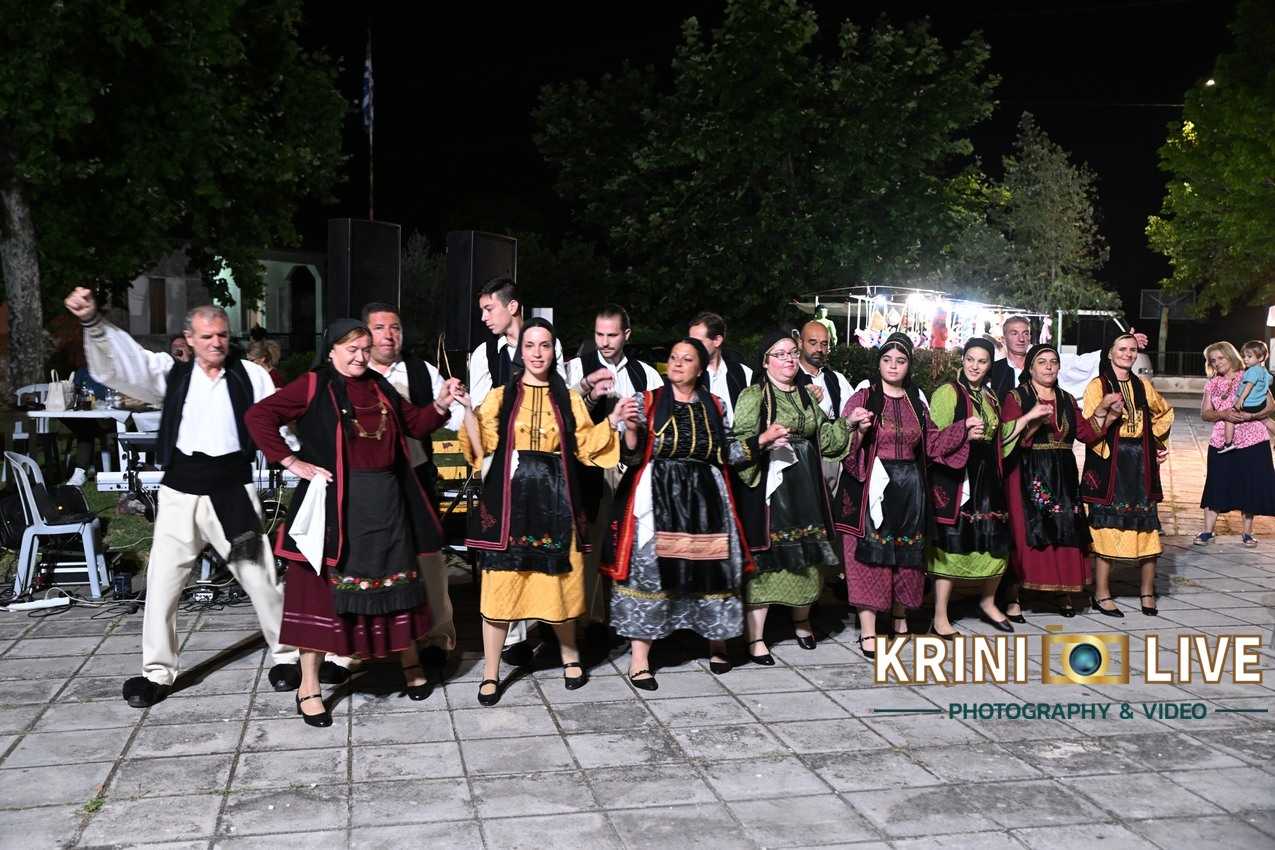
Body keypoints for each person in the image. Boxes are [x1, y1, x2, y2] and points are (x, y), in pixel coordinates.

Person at [64, 287, 299, 708]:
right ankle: (156, 673)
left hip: (232, 492)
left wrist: (300, 460)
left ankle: (287, 656)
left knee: (260, 577)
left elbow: (276, 421)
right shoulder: (169, 374)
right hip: (179, 493)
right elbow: (124, 363)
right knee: (162, 584)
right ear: (189, 338)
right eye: (207, 336)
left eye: (222, 335)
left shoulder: (251, 375)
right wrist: (93, 323)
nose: (216, 343)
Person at [244, 319, 461, 726]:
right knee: (318, 595)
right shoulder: (312, 385)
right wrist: (291, 462)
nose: (360, 357)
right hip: (335, 508)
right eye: (351, 350)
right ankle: (309, 686)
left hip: (387, 503)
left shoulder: (380, 386)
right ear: (331, 351)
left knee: (397, 586)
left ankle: (410, 663)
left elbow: (415, 425)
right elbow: (259, 416)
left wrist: (441, 403)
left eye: (365, 348)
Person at [459, 318, 637, 706]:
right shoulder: (501, 397)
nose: (537, 353)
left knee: (557, 583)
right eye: (530, 345)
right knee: (501, 585)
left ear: (554, 352)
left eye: (544, 346)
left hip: (555, 503)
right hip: (510, 505)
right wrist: (469, 411)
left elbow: (586, 446)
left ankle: (570, 656)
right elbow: (481, 446)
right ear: (520, 352)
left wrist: (613, 420)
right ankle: (491, 672)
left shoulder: (567, 399)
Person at [602, 338, 752, 686]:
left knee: (711, 570)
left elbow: (726, 452)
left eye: (686, 359)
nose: (677, 364)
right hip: (659, 496)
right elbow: (632, 457)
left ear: (700, 368)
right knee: (651, 570)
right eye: (673, 357)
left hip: (706, 502)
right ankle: (639, 659)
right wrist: (632, 430)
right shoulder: (647, 401)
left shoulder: (715, 405)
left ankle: (717, 642)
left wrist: (761, 441)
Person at [836, 333, 969, 658]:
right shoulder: (862, 398)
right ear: (878, 363)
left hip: (910, 488)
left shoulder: (916, 403)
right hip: (873, 487)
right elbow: (841, 442)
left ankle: (899, 617)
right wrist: (857, 430)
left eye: (900, 360)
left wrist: (963, 428)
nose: (893, 366)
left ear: (909, 365)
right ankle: (868, 630)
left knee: (906, 557)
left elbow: (933, 444)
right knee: (869, 557)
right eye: (887, 360)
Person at [731, 329, 851, 663]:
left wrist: (850, 424)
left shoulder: (806, 396)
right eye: (780, 354)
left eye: (792, 353)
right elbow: (738, 445)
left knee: (806, 556)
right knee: (768, 560)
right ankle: (756, 636)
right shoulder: (755, 396)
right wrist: (765, 439)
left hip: (806, 487)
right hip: (772, 489)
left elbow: (824, 437)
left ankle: (802, 621)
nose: (788, 359)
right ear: (765, 361)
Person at [467, 276, 566, 666]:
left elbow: (561, 396)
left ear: (512, 307)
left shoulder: (547, 343)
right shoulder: (484, 354)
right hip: (503, 461)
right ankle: (511, 636)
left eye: (488, 308)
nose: (484, 317)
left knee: (540, 541)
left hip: (543, 463)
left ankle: (544, 620)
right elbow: (479, 410)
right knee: (506, 546)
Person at [362, 302, 466, 676]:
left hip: (416, 477)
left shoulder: (422, 371)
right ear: (365, 333)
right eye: (379, 328)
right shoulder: (353, 369)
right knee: (368, 561)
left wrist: (473, 418)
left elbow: (454, 416)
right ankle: (358, 647)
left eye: (395, 328)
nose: (388, 335)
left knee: (430, 560)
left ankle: (438, 638)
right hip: (368, 485)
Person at [926, 339, 1050, 636]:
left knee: (995, 543)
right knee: (952, 544)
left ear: (990, 365)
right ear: (962, 359)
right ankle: (940, 616)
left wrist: (1029, 417)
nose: (974, 366)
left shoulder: (991, 396)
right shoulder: (947, 392)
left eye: (982, 361)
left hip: (988, 479)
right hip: (957, 478)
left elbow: (1001, 436)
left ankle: (988, 601)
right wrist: (963, 433)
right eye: (970, 359)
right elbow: (933, 440)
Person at [999, 345, 1118, 620]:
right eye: (1042, 362)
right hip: (1026, 471)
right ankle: (1013, 595)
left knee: (1065, 528)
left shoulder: (1066, 399)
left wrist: (1107, 412)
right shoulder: (1016, 397)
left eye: (1053, 361)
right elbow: (1008, 439)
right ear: (1030, 368)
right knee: (1023, 532)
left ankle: (1061, 589)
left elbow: (1086, 433)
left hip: (1062, 474)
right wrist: (1032, 421)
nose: (1049, 367)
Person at [565, 304, 664, 628]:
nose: (605, 342)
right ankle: (588, 622)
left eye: (612, 335)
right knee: (591, 544)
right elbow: (563, 416)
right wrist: (592, 394)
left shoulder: (645, 374)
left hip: (631, 464)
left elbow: (659, 420)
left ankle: (626, 619)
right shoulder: (576, 368)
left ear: (627, 335)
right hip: (589, 465)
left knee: (629, 541)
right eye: (599, 335)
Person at [1081, 333, 1174, 617]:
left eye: (1132, 349)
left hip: (1140, 462)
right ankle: (1101, 592)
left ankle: (1147, 591)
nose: (1128, 354)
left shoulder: (1143, 385)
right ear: (1110, 353)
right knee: (1106, 527)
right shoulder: (1097, 386)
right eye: (1122, 349)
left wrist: (1154, 443)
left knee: (1147, 527)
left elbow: (1165, 412)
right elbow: (1089, 426)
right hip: (1111, 462)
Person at [1197, 342, 1275, 547]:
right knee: (1216, 483)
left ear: (1231, 356)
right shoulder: (1212, 383)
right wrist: (1223, 414)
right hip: (1221, 441)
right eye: (1213, 360)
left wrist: (1251, 416)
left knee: (1250, 486)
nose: (1217, 363)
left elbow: (1270, 405)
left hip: (1253, 440)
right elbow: (1205, 413)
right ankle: (1207, 531)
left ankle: (1247, 533)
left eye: (1220, 358)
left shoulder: (1251, 374)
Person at [689, 312, 753, 426]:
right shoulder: (689, 375)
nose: (692, 347)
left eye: (698, 342)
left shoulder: (743, 373)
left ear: (717, 340)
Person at [1221, 341, 1275, 450]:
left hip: (1249, 404)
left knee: (1230, 418)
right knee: (1265, 420)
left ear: (1261, 358)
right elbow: (1268, 382)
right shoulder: (1264, 371)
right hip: (1260, 404)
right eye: (1244, 356)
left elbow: (1249, 386)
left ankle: (1228, 444)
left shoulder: (1252, 371)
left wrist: (1240, 399)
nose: (1245, 359)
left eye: (1249, 357)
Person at [987, 316, 1032, 402]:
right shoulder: (993, 370)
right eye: (1014, 334)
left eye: (1025, 333)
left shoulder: (1039, 368)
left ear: (1029, 338)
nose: (1021, 339)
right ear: (1004, 339)